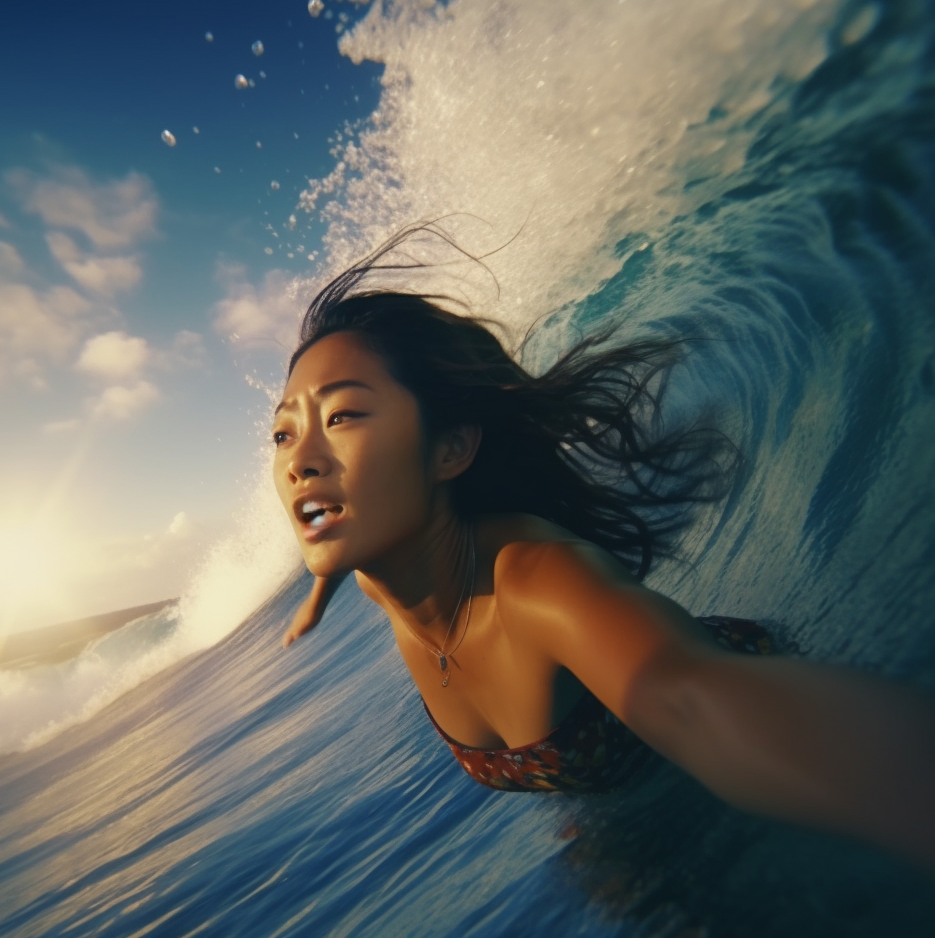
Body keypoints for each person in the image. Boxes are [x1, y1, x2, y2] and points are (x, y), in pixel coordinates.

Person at [272, 228, 935, 871]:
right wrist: (314, 602)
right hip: (625, 813)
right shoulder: (378, 573)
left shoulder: (537, 584)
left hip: (763, 712)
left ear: (450, 448)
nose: (300, 459)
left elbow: (689, 701)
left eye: (343, 416)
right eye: (283, 433)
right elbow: (334, 538)